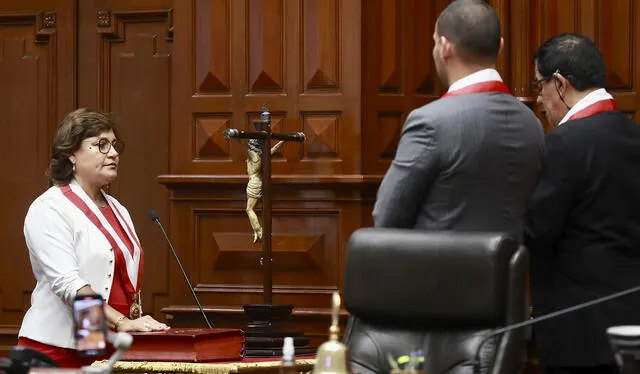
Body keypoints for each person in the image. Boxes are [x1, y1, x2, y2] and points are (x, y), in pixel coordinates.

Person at [372, 0, 544, 241]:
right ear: (501, 46)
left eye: (434, 42)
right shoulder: (532, 124)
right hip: (508, 276)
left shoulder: (430, 122)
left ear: (444, 46)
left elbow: (386, 216)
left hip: (439, 275)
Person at [18, 108, 170, 368]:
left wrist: (131, 324)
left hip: (105, 350)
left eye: (114, 145)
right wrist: (121, 322)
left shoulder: (118, 208)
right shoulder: (50, 207)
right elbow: (69, 285)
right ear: (71, 154)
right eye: (100, 145)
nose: (113, 153)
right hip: (57, 350)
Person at [525, 33, 640, 374]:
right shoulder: (635, 136)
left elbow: (536, 230)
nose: (538, 100)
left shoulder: (565, 142)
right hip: (631, 331)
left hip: (578, 336)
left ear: (559, 82)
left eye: (538, 86)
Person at [244, 138, 284, 243]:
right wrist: (282, 141)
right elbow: (273, 149)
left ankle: (259, 231)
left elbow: (243, 147)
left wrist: (237, 138)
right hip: (257, 182)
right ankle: (257, 231)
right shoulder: (261, 156)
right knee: (254, 209)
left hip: (254, 183)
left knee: (249, 209)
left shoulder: (254, 157)